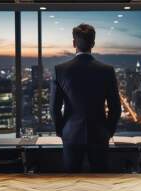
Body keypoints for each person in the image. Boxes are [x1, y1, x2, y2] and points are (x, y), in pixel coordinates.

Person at [50, 23, 122, 173]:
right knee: (100, 181)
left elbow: (54, 108)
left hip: (71, 134)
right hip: (99, 134)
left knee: (72, 180)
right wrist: (108, 132)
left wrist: (61, 131)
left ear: (73, 43)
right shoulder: (107, 71)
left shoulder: (60, 70)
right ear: (93, 44)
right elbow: (115, 108)